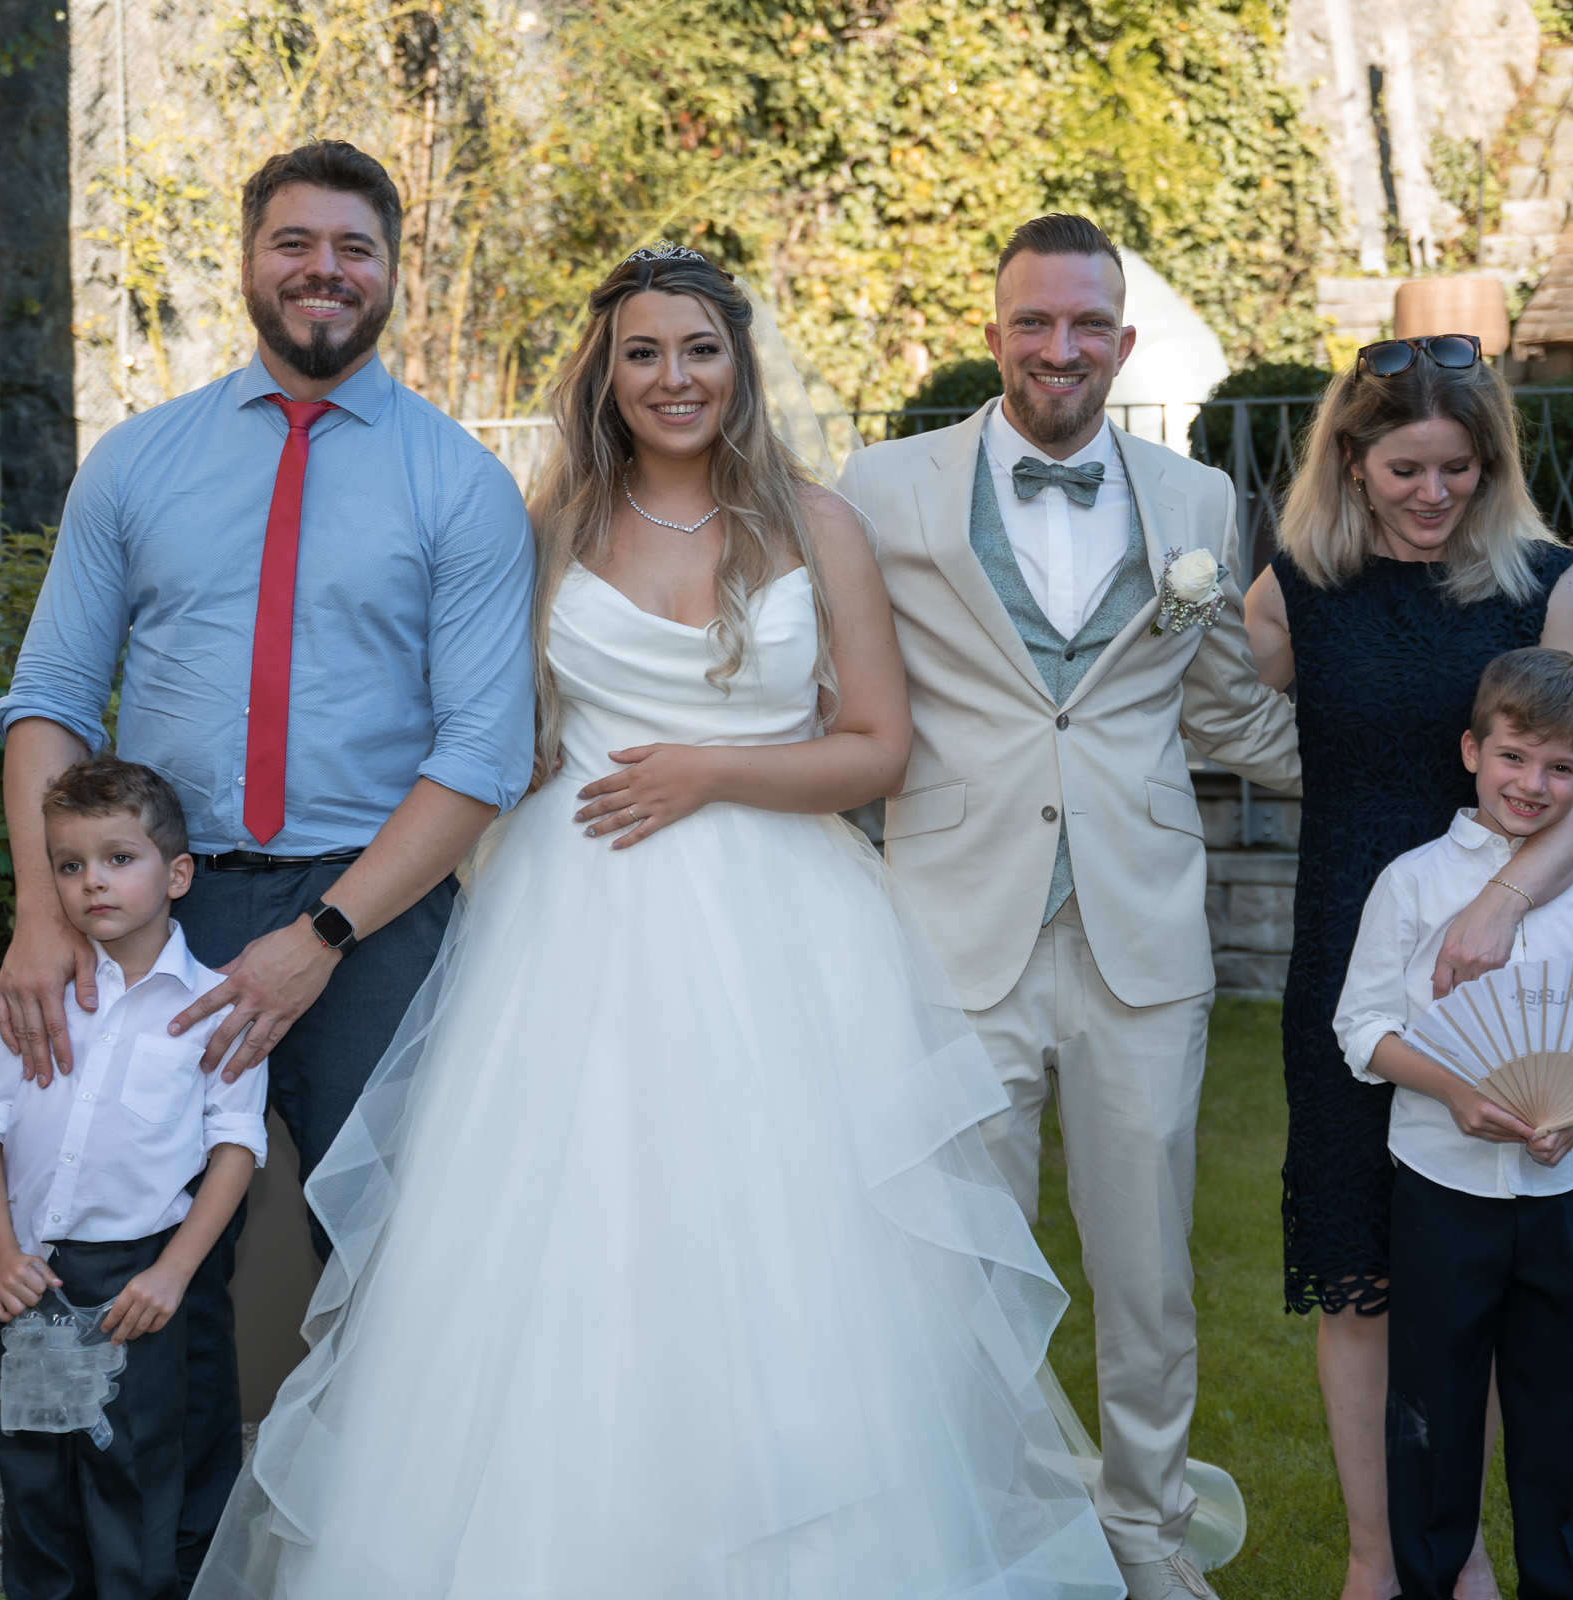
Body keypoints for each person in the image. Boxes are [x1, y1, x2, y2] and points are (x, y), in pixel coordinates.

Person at [190, 242, 1125, 1599]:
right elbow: (495, 735)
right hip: (572, 929)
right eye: (643, 352)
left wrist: (712, 771)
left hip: (780, 934)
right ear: (607, 373)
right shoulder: (549, 532)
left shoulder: (818, 526)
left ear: (739, 364)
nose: (673, 378)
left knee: (789, 1246)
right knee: (565, 1235)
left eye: (699, 349)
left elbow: (878, 747)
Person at [0, 140, 535, 1581]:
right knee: (120, 1252)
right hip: (153, 914)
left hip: (375, 915)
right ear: (249, 260)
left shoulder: (459, 484)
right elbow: (50, 697)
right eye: (295, 242)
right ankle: (135, 1570)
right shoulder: (140, 462)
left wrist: (325, 936)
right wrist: (45, 911)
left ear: (394, 270)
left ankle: (384, 1560)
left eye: (353, 247)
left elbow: (484, 752)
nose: (322, 272)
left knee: (390, 1264)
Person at [838, 214, 1300, 1600]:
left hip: (1138, 938)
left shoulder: (1197, 502)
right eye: (1035, 322)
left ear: (1123, 340)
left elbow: (1224, 708)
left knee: (1147, 1273)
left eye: (1087, 324)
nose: (1061, 347)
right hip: (950, 929)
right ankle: (978, 1536)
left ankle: (1146, 1534)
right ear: (994, 336)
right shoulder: (883, 487)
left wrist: (1414, 766)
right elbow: (834, 688)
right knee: (964, 1271)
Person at [1242, 335, 1573, 1600]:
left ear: (1490, 463)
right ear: (1351, 461)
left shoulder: (1544, 585)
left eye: (1458, 467)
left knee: (1485, 1278)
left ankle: (1462, 1552)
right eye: (1406, 467)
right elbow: (1212, 702)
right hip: (1350, 950)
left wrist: (1504, 902)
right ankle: (1380, 1557)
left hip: (1497, 966)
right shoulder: (1295, 587)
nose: (1434, 491)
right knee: (1361, 1275)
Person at [1333, 648, 1573, 1600]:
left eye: (1561, 768)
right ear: (1472, 751)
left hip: (1559, 1191)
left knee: (1559, 1405)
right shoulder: (1414, 883)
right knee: (1435, 1400)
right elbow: (1361, 1026)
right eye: (1514, 757)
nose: (1533, 784)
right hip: (1441, 1184)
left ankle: (1558, 1583)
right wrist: (1455, 1093)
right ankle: (1428, 1579)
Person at [0, 757, 270, 1600]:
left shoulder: (216, 1008)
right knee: (38, 1484)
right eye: (69, 865)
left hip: (140, 1285)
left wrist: (174, 1272)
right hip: (38, 1281)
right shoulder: (38, 997)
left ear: (177, 875)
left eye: (118, 858)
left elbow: (236, 1148)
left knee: (136, 1482)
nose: (92, 881)